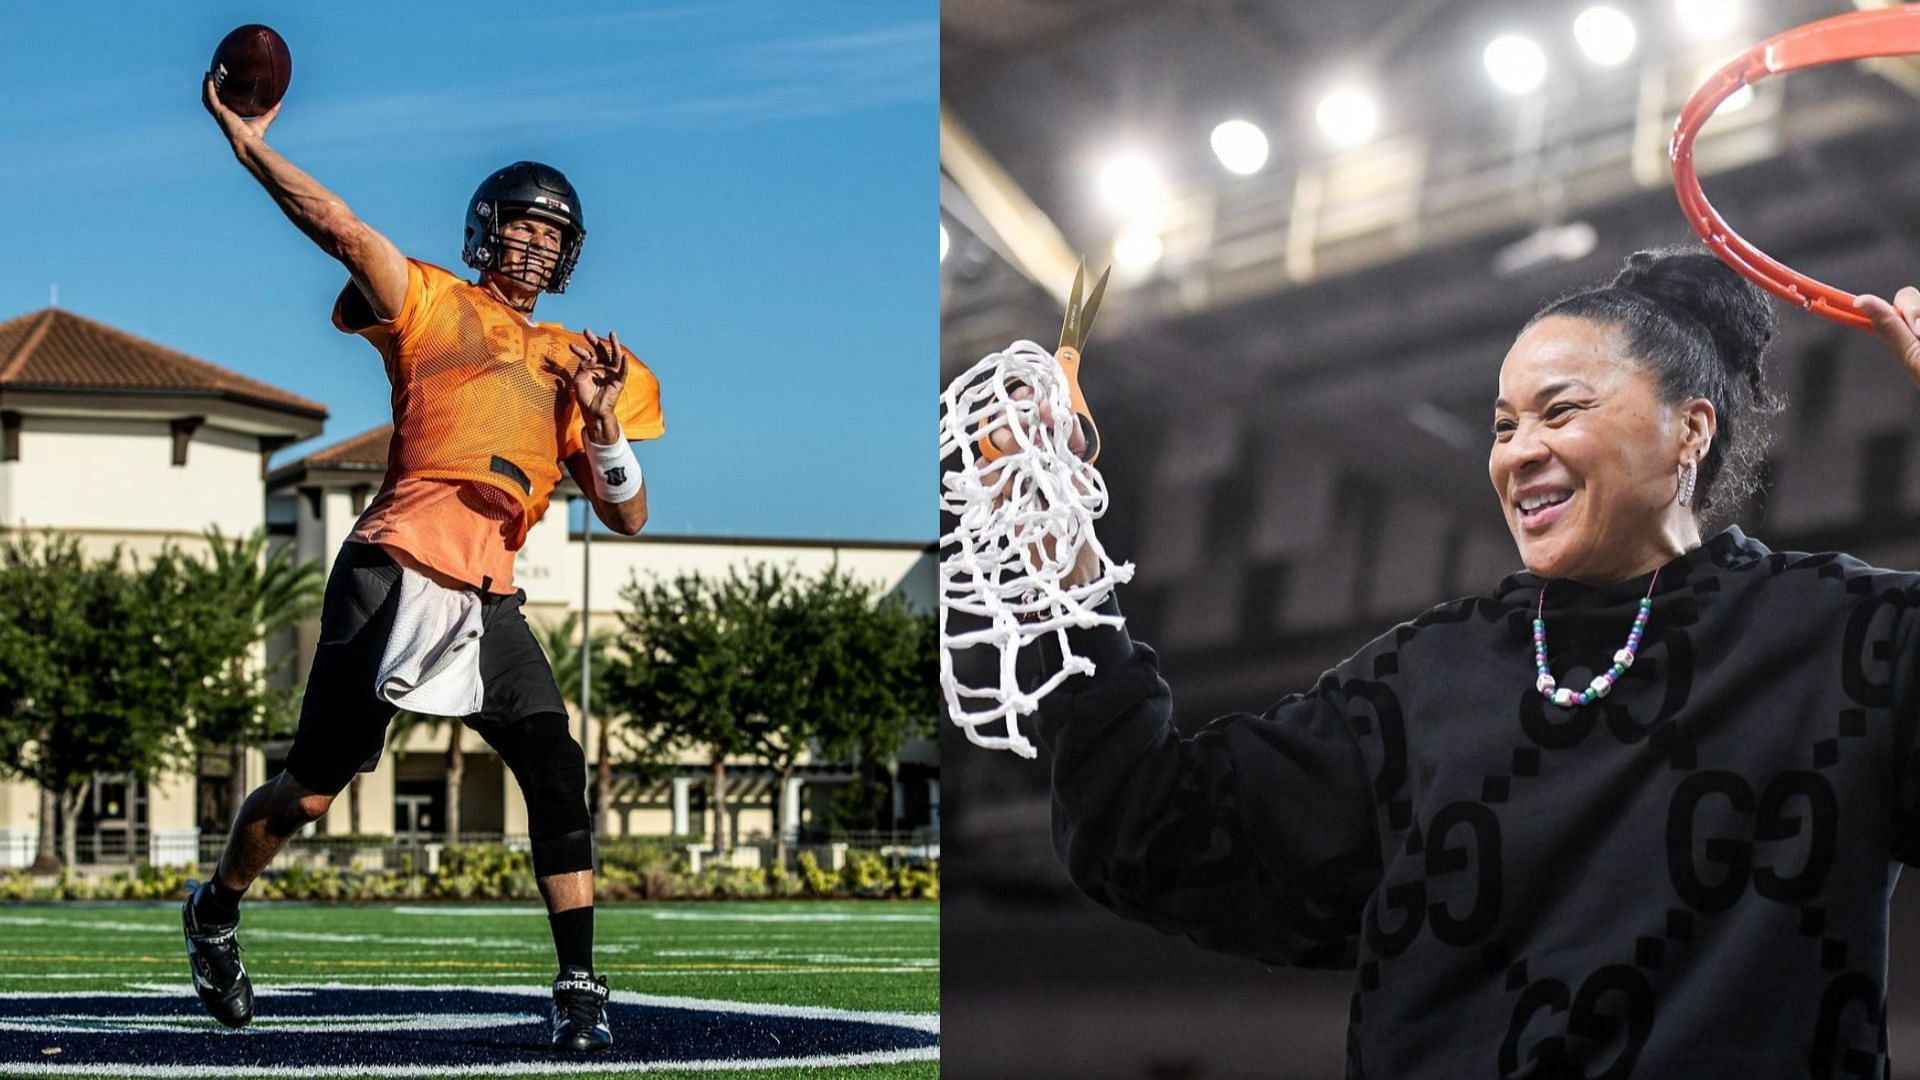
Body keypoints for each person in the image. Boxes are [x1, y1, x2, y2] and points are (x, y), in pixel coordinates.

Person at [1008, 246, 1920, 1076]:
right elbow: (1153, 830)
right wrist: (1064, 577)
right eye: (1503, 424)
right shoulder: (1425, 681)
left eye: (1561, 410)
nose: (1521, 453)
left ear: (1691, 429)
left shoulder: (1848, 639)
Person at [180, 76, 662, 1053]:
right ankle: (216, 911)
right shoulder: (432, 299)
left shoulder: (584, 361)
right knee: (309, 793)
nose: (533, 244)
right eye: (520, 226)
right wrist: (248, 144)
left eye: (551, 233)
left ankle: (578, 984)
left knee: (556, 769)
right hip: (394, 563)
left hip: (490, 592)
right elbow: (339, 225)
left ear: (569, 253)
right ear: (488, 233)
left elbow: (631, 517)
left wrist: (605, 425)